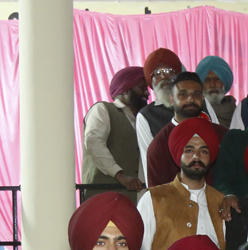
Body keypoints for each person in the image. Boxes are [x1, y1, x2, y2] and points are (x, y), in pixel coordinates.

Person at [128, 118, 226, 250]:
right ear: (178, 154)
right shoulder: (154, 198)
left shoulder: (221, 202)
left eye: (203, 151)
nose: (196, 156)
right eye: (189, 150)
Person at [144, 71, 229, 187]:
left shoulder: (221, 135)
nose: (190, 99)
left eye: (196, 94)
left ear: (202, 99)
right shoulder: (160, 145)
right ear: (172, 99)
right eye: (183, 95)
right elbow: (157, 193)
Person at [81, 66, 149, 199]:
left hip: (136, 200)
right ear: (125, 90)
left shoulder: (143, 119)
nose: (146, 93)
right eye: (142, 88)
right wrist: (120, 175)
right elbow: (94, 143)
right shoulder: (103, 109)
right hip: (103, 198)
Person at [136, 48, 185, 161]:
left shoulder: (200, 102)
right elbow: (149, 160)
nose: (163, 77)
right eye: (157, 73)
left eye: (168, 71)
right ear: (151, 80)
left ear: (177, 74)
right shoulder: (146, 116)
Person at [196, 55, 237, 127]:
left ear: (224, 82)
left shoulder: (239, 114)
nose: (212, 85)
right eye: (207, 80)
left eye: (217, 79)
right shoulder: (194, 112)